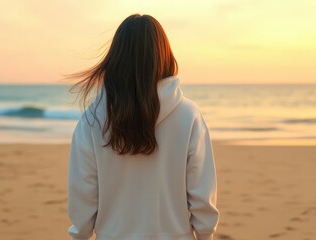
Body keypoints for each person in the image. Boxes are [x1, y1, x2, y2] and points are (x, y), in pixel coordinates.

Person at [66, 14, 219, 240]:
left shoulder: (93, 119)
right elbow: (202, 195)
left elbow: (83, 195)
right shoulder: (188, 115)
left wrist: (80, 234)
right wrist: (205, 234)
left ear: (116, 58)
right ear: (163, 55)